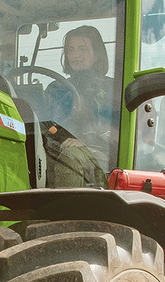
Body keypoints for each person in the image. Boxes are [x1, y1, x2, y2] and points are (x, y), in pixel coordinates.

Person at [40, 26, 116, 187]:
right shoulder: (55, 89)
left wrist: (86, 140)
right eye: (71, 50)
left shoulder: (112, 89)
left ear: (97, 54)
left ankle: (65, 210)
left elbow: (117, 130)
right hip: (58, 149)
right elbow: (48, 126)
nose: (75, 55)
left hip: (100, 154)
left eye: (82, 49)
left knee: (71, 157)